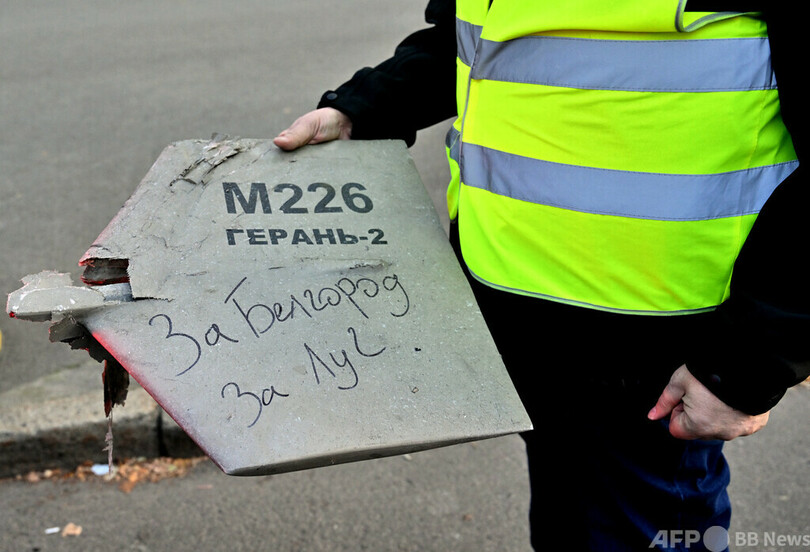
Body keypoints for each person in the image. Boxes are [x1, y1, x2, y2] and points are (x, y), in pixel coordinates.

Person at [274, 1, 808, 550]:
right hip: (516, 316)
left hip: (651, 352)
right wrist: (362, 108)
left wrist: (749, 363)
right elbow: (476, 40)